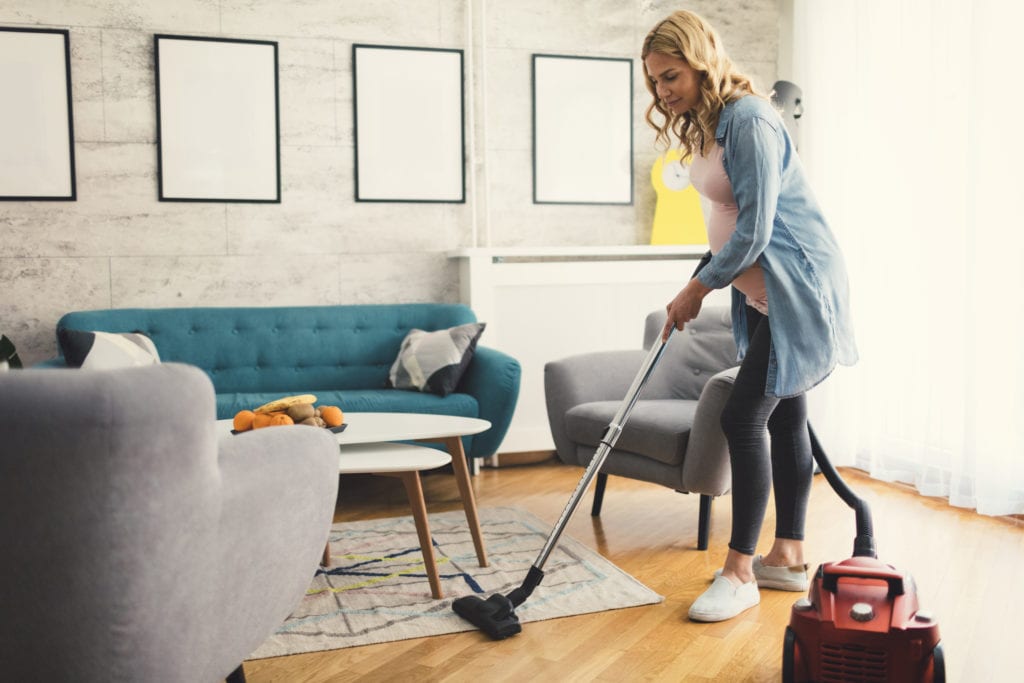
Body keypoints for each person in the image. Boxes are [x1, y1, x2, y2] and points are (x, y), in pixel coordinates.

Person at [641, 10, 858, 622]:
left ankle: (739, 572)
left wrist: (698, 289)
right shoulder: (710, 124)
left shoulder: (750, 119)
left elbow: (758, 228)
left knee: (745, 413)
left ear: (702, 59)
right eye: (656, 81)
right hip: (764, 293)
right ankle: (787, 556)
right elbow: (730, 219)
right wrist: (704, 273)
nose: (663, 92)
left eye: (671, 76)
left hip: (800, 289)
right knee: (787, 416)